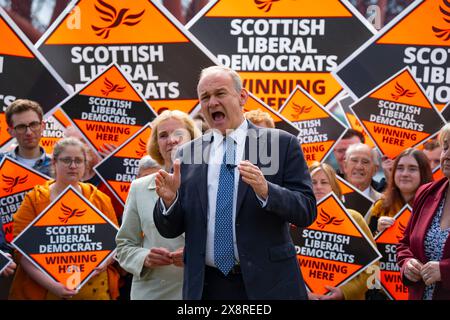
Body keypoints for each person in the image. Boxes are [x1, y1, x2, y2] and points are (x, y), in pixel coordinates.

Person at [153, 66, 316, 300]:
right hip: (207, 288)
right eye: (205, 97)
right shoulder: (187, 154)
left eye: (220, 94)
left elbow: (306, 210)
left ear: (242, 97)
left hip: (268, 286)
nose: (212, 103)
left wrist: (266, 190)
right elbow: (170, 229)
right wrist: (169, 202)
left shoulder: (281, 144)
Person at [9, 137, 120, 300]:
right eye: (67, 160)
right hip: (45, 291)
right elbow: (22, 252)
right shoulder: (35, 199)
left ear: (85, 164)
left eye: (78, 161)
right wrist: (53, 286)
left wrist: (105, 262)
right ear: (54, 162)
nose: (73, 166)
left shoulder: (100, 198)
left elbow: (116, 242)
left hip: (95, 289)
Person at [116, 110, 201, 300]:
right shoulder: (139, 188)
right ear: (157, 145)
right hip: (153, 293)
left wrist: (194, 254)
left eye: (178, 134)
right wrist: (144, 258)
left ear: (193, 138)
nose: (171, 140)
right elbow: (124, 245)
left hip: (199, 291)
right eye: (163, 135)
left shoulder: (210, 184)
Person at [307, 162, 377, 300]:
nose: (318, 187)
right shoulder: (294, 221)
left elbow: (373, 269)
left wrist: (345, 292)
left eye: (324, 182)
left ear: (334, 187)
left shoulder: (354, 219)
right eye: (313, 182)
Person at [397, 124, 450, 300]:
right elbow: (404, 244)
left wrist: (444, 271)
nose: (447, 155)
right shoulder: (426, 192)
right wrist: (407, 264)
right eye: (446, 147)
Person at [367, 148, 432, 235]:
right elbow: (367, 246)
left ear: (423, 173)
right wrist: (379, 232)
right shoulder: (380, 207)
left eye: (412, 169)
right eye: (400, 168)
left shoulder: (435, 208)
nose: (405, 174)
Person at [1, 99, 51, 176]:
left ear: (42, 126)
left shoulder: (58, 165)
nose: (29, 132)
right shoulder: (1, 162)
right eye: (21, 127)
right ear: (11, 132)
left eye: (34, 124)